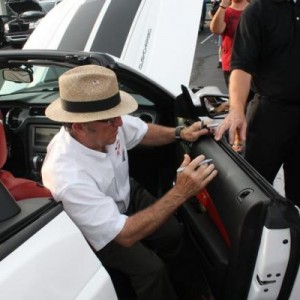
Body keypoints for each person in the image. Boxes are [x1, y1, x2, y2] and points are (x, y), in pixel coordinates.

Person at [42, 65, 218, 300]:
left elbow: (142, 132)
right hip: (100, 230)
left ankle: (189, 289)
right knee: (151, 271)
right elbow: (123, 235)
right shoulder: (67, 176)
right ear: (79, 126)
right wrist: (181, 192)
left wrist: (180, 134)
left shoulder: (106, 124)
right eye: (111, 120)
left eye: (117, 116)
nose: (120, 123)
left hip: (125, 192)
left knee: (173, 233)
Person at [214, 0, 300, 207]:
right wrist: (236, 109)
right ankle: (252, 237)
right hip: (270, 113)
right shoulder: (258, 11)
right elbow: (242, 66)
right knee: (255, 191)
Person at [209, 0, 249, 88]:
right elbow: (217, 30)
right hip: (232, 65)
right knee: (237, 100)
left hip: (254, 66)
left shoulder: (255, 10)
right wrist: (223, 5)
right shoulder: (225, 12)